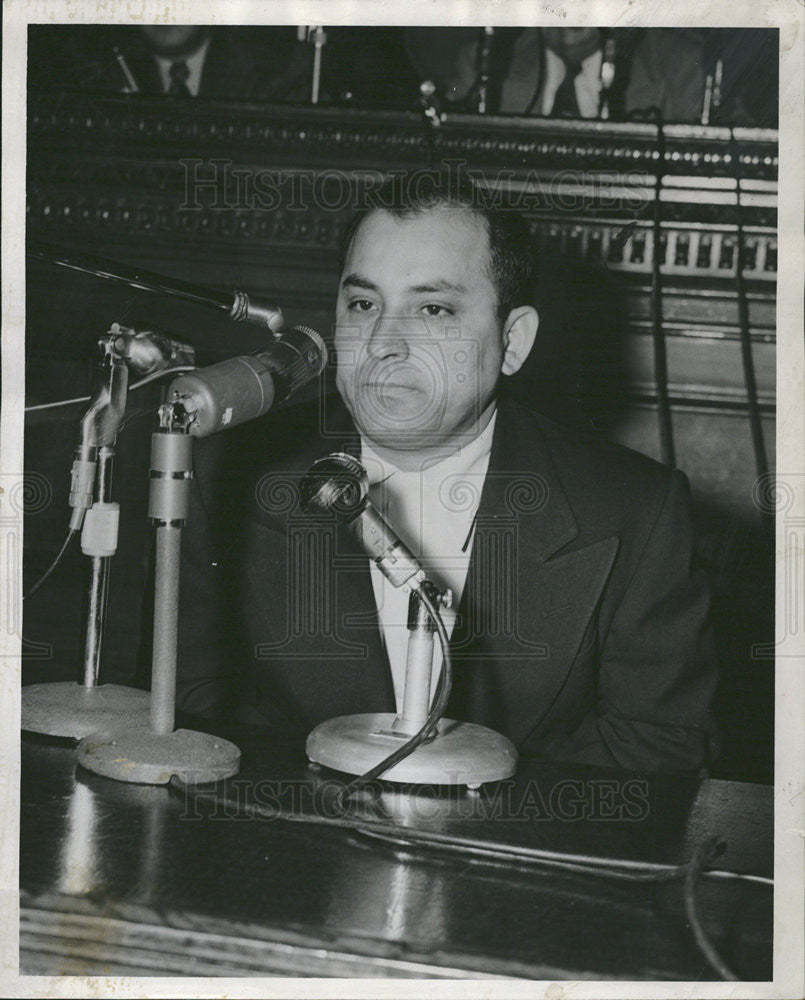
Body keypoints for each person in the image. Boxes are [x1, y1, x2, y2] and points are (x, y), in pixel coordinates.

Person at [169, 169, 719, 773]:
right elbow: (186, 716)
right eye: (362, 303)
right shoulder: (223, 480)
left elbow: (657, 755)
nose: (383, 341)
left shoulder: (637, 508)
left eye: (432, 309)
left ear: (513, 342)